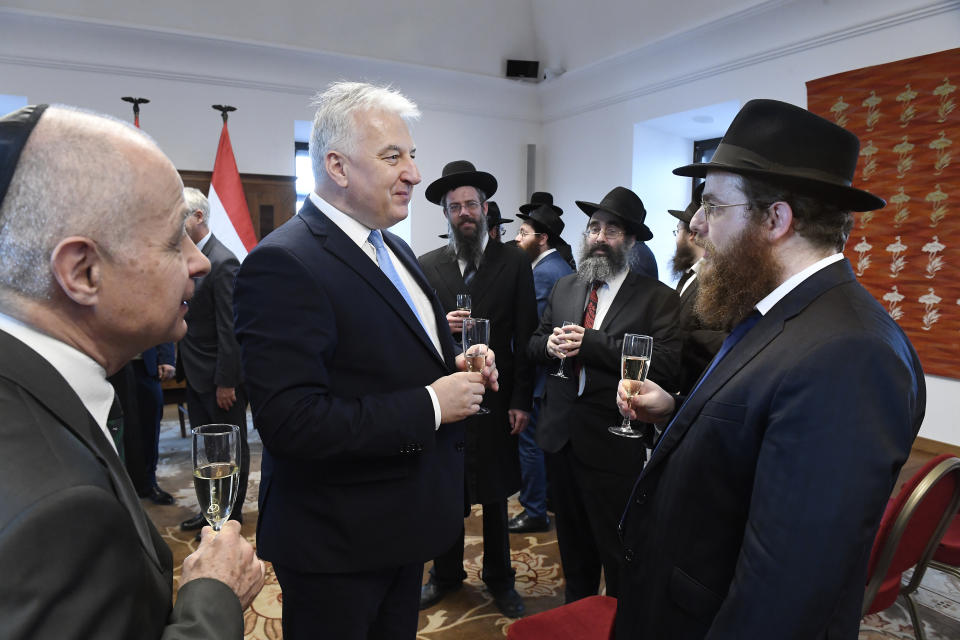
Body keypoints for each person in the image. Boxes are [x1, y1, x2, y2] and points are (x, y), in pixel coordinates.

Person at [615, 99, 926, 639]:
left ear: (776, 219)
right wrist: (674, 413)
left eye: (713, 207)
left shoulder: (850, 354)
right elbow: (753, 439)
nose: (697, 226)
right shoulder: (778, 310)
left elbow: (786, 590)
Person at [233, 82, 498, 640]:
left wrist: (457, 364)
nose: (414, 174)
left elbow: (389, 355)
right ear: (337, 166)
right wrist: (432, 404)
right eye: (392, 156)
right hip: (338, 542)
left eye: (412, 155)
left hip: (402, 523)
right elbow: (292, 423)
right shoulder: (283, 263)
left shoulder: (392, 246)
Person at [0, 104, 263, 639]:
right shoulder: (58, 508)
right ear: (83, 272)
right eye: (173, 241)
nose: (200, 261)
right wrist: (214, 596)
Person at [527, 186, 682, 602]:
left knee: (618, 558)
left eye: (611, 230)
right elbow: (534, 342)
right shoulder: (565, 287)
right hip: (560, 439)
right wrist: (549, 347)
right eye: (594, 227)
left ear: (630, 241)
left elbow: (666, 364)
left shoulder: (658, 299)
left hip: (614, 445)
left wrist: (591, 343)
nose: (598, 236)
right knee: (573, 556)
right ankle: (576, 617)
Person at [417, 160, 538, 618]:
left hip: (498, 396)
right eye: (455, 207)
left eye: (471, 204)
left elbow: (526, 336)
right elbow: (418, 337)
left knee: (494, 491)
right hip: (448, 397)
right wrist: (440, 328)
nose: (464, 212)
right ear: (446, 215)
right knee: (447, 487)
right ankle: (445, 574)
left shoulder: (514, 263)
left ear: (486, 210)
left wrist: (522, 401)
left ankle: (500, 578)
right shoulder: (427, 266)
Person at [177, 187, 250, 538]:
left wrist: (227, 381)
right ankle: (210, 511)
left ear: (199, 217)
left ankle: (230, 516)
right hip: (195, 372)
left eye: (181, 217)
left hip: (219, 377)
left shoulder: (223, 261)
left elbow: (230, 329)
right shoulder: (189, 258)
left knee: (227, 450)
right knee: (205, 453)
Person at [508, 203, 573, 534]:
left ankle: (534, 509)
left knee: (530, 442)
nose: (518, 239)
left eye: (523, 233)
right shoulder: (557, 266)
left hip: (541, 374)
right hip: (552, 373)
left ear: (542, 239)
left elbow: (528, 326)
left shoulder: (545, 273)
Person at [667, 182, 726, 395]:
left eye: (712, 209)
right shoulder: (692, 273)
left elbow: (736, 341)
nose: (695, 224)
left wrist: (676, 338)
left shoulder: (729, 278)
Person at [519, 191, 576, 269]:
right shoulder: (514, 247)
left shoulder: (563, 250)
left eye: (544, 213)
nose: (538, 217)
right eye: (534, 213)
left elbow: (570, 278)